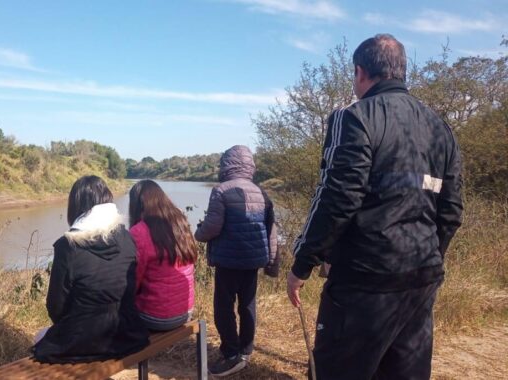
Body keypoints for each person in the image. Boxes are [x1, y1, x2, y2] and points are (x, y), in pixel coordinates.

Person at [287, 34, 463, 380]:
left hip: (363, 283)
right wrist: (428, 255)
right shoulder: (442, 129)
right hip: (421, 279)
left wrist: (302, 263)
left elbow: (336, 197)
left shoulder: (354, 117)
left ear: (360, 72)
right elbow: (452, 210)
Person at [32, 175, 149, 363]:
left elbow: (56, 307)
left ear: (76, 205)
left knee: (39, 337)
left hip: (80, 341)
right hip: (127, 334)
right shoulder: (126, 238)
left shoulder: (67, 246)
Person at [194, 145, 279, 377]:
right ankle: (246, 349)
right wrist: (272, 261)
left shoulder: (221, 190)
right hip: (253, 261)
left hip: (228, 261)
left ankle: (231, 353)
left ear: (227, 165)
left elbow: (212, 227)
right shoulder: (261, 192)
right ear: (249, 165)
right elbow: (272, 230)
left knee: (223, 306)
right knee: (248, 305)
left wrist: (198, 233)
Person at [128, 180, 197, 331]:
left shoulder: (139, 231)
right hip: (186, 310)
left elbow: (134, 280)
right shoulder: (180, 222)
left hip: (155, 318)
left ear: (137, 204)